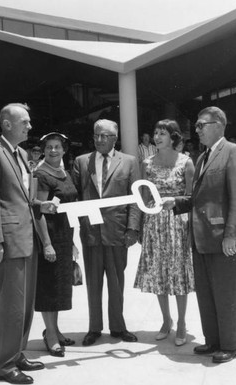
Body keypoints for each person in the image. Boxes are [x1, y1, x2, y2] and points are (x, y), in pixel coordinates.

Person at [0, 103, 57, 385]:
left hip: (27, 237)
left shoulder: (20, 154)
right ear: (7, 124)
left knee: (25, 304)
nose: (30, 126)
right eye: (25, 121)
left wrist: (40, 204)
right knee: (11, 304)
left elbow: (20, 197)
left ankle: (17, 352)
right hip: (8, 242)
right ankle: (4, 365)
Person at [162, 106, 236, 364]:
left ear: (219, 125)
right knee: (207, 293)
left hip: (223, 238)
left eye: (202, 125)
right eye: (197, 126)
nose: (197, 130)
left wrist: (232, 234)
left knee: (226, 293)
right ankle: (212, 341)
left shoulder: (233, 152)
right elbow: (199, 198)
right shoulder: (201, 158)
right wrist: (177, 202)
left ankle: (230, 346)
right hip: (200, 238)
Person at [72, 119, 141, 346]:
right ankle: (94, 328)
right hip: (91, 233)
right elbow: (74, 197)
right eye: (96, 135)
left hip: (117, 232)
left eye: (104, 136)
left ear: (114, 138)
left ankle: (118, 327)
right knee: (93, 283)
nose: (99, 140)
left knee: (116, 282)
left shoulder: (129, 162)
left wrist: (132, 228)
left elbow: (136, 198)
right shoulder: (82, 162)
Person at [134, 119, 195, 346]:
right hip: (154, 224)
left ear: (173, 137)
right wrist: (141, 226)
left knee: (179, 275)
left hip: (178, 223)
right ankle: (165, 320)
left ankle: (181, 322)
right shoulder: (147, 164)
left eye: (163, 133)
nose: (157, 137)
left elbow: (191, 199)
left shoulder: (186, 163)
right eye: (156, 132)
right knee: (158, 273)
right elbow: (144, 197)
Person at [34, 132, 78, 358]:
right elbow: (38, 211)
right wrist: (47, 244)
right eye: (49, 147)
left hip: (64, 235)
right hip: (49, 236)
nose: (53, 150)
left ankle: (56, 330)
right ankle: (50, 335)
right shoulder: (41, 174)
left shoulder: (64, 172)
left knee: (59, 287)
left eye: (57, 147)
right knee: (49, 289)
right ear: (43, 149)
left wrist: (72, 243)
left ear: (64, 149)